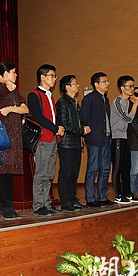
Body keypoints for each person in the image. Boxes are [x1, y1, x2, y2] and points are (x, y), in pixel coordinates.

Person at [0, 61, 29, 219]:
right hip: (2, 134)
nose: (16, 75)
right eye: (13, 72)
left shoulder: (13, 90)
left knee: (10, 171)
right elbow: (10, 88)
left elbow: (25, 109)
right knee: (2, 169)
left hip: (15, 135)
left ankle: (9, 204)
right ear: (5, 74)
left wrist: (11, 108)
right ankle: (2, 204)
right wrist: (4, 82)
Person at [27, 64, 65, 216]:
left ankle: (46, 203)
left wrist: (58, 129)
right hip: (43, 139)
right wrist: (55, 128)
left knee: (49, 174)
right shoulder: (34, 95)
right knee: (41, 173)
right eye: (51, 76)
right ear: (42, 77)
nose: (54, 79)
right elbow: (38, 117)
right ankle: (38, 205)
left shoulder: (50, 95)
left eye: (55, 76)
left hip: (53, 138)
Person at [56, 75, 91, 211]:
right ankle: (65, 202)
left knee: (74, 173)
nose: (78, 85)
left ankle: (72, 199)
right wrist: (81, 131)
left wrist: (83, 128)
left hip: (76, 142)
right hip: (66, 143)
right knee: (66, 172)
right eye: (75, 83)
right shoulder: (62, 103)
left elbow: (78, 121)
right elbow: (64, 124)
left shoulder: (75, 103)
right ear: (67, 87)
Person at [80, 72, 115, 208]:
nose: (107, 84)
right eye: (104, 81)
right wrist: (89, 133)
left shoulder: (105, 99)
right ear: (96, 84)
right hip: (95, 138)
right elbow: (84, 117)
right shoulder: (89, 98)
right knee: (93, 168)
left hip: (106, 137)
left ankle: (102, 197)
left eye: (107, 81)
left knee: (105, 168)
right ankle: (90, 198)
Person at [110, 75, 138, 204]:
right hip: (117, 137)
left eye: (133, 86)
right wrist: (135, 104)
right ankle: (118, 195)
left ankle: (127, 193)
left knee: (127, 167)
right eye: (130, 86)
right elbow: (128, 118)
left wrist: (135, 104)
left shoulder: (129, 102)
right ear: (122, 88)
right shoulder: (117, 102)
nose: (132, 89)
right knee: (118, 167)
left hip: (125, 137)